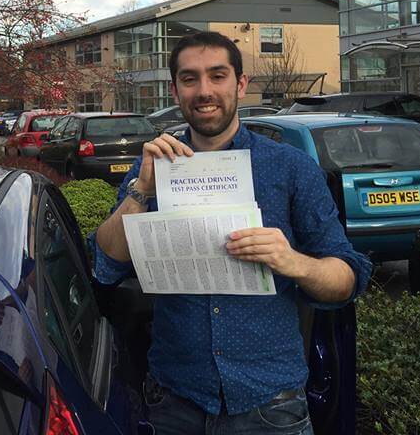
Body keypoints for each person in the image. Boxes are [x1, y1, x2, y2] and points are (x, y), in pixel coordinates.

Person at [93, 31, 371, 435]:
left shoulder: (291, 169)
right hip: (174, 399)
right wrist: (142, 190)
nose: (204, 90)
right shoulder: (154, 167)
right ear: (175, 89)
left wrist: (291, 261)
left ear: (240, 84)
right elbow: (106, 264)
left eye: (217, 76)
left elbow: (346, 280)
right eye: (190, 79)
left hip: (270, 404)